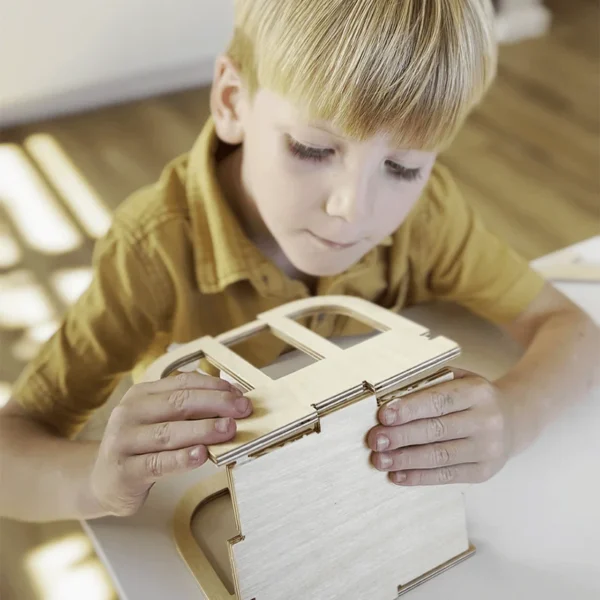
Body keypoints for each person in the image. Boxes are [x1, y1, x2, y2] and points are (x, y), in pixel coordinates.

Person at [1, 0, 597, 523]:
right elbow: (12, 449)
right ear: (232, 101)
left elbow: (571, 328)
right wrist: (97, 482)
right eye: (312, 148)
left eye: (403, 166)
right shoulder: (152, 249)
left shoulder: (428, 216)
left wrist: (515, 413)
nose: (352, 209)